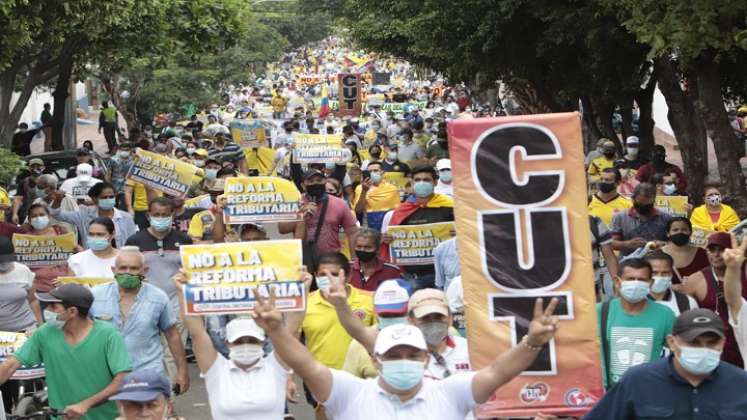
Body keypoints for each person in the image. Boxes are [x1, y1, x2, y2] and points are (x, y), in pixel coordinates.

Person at [253, 289, 559, 419]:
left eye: (412, 355)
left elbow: (497, 372)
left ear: (425, 359)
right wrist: (277, 330)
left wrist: (532, 341)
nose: (404, 361)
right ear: (376, 360)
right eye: (394, 355)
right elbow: (305, 364)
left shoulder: (451, 391)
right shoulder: (351, 392)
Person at [173, 266, 292, 419]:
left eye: (252, 340)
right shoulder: (217, 370)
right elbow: (197, 333)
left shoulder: (275, 366)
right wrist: (182, 293)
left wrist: (303, 288)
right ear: (228, 344)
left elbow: (292, 332)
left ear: (263, 343)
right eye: (239, 341)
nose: (246, 344)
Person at [584, 308, 747, 419]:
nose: (703, 349)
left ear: (723, 343)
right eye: (693, 343)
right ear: (672, 342)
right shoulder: (638, 381)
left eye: (711, 343)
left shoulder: (741, 384)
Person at [0, 283, 132, 419]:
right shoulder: (45, 332)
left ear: (72, 312)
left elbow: (123, 379)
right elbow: (10, 365)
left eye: (53, 306)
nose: (47, 310)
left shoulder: (108, 335)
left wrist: (85, 404)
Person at [90, 247, 188, 392]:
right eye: (123, 268)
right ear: (113, 270)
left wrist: (182, 371)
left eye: (134, 268)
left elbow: (172, 335)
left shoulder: (158, 297)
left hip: (147, 374)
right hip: (105, 375)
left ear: (144, 271)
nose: (128, 272)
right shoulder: (95, 296)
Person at [292, 252, 375, 419]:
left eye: (335, 274)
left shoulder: (369, 300)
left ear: (349, 275)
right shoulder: (305, 303)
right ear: (315, 276)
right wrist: (288, 378)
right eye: (322, 275)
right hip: (322, 379)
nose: (328, 278)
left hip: (363, 380)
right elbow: (291, 340)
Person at [124, 197, 192, 381]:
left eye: (165, 215)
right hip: (146, 303)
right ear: (148, 216)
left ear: (172, 216)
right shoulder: (134, 241)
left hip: (176, 302)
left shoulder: (184, 240)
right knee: (151, 350)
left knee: (172, 352)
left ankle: (169, 401)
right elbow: (127, 270)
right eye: (156, 215)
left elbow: (191, 270)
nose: (160, 218)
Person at [597, 258, 675, 389]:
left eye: (642, 280)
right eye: (630, 279)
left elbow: (678, 351)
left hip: (648, 392)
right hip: (608, 394)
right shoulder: (599, 312)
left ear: (651, 284)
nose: (636, 283)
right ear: (617, 282)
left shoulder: (665, 314)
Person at [678, 232, 747, 367]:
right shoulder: (695, 280)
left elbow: (733, 299)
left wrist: (734, 267)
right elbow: (684, 317)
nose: (716, 254)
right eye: (712, 250)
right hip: (713, 347)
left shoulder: (744, 271)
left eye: (721, 250)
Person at [381, 165, 454, 289]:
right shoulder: (402, 210)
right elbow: (389, 243)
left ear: (435, 182)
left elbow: (465, 235)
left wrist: (459, 234)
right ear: (412, 182)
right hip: (413, 276)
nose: (422, 183)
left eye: (426, 180)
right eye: (418, 180)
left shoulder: (450, 206)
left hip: (445, 273)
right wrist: (386, 240)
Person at [280, 169, 358, 268]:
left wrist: (355, 261)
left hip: (331, 260)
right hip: (303, 260)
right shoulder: (295, 203)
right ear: (303, 185)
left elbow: (353, 233)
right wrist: (301, 215)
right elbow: (282, 228)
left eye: (319, 180)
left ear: (325, 182)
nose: (315, 183)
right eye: (311, 181)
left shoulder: (339, 203)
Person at [0, 236, 43, 409]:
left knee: (27, 376)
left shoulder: (22, 271)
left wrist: (39, 326)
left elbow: (33, 300)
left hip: (24, 331)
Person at [342, 280, 411, 379]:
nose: (391, 318)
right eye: (385, 315)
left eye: (397, 314)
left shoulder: (422, 339)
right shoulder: (360, 343)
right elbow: (348, 385)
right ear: (376, 313)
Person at [51, 182, 138, 248]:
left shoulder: (126, 217)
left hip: (118, 261)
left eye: (111, 197)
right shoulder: (84, 215)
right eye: (104, 197)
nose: (108, 199)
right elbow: (56, 214)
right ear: (94, 199)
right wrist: (58, 200)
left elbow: (132, 243)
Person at [21, 203, 71, 295]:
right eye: (34, 216)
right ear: (29, 219)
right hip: (36, 288)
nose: (38, 218)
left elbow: (72, 258)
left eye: (42, 215)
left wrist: (67, 279)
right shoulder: (24, 239)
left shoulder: (60, 232)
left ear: (49, 216)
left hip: (61, 285)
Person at [610, 182, 671, 256]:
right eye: (640, 204)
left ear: (654, 200)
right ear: (633, 199)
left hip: (657, 261)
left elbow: (675, 242)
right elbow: (611, 243)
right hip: (629, 262)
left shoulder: (665, 217)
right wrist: (628, 244)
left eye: (648, 205)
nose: (644, 208)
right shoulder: (620, 217)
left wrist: (663, 244)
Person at [644, 251, 698, 316]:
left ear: (671, 274)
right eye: (654, 273)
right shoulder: (633, 302)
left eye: (665, 273)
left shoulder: (687, 303)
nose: (660, 277)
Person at [352, 161, 400, 231]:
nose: (372, 173)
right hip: (368, 224)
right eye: (370, 171)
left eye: (375, 170)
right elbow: (358, 210)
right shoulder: (360, 188)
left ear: (383, 173)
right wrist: (364, 191)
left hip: (387, 223)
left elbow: (396, 211)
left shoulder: (392, 189)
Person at [661, 217, 710, 283]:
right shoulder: (658, 254)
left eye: (684, 229)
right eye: (675, 230)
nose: (680, 232)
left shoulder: (703, 254)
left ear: (690, 232)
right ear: (668, 233)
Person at [12, 158, 46, 224]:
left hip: (45, 216)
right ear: (29, 168)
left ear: (43, 167)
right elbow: (18, 199)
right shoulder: (24, 182)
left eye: (38, 166)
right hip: (27, 216)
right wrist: (14, 214)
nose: (35, 168)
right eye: (33, 166)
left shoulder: (48, 180)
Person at [108, 142, 135, 209]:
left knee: (124, 208)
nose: (124, 152)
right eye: (122, 150)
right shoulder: (113, 160)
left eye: (126, 150)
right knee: (113, 208)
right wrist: (109, 187)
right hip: (115, 188)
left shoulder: (134, 160)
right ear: (119, 150)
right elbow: (108, 174)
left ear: (130, 150)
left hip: (128, 189)